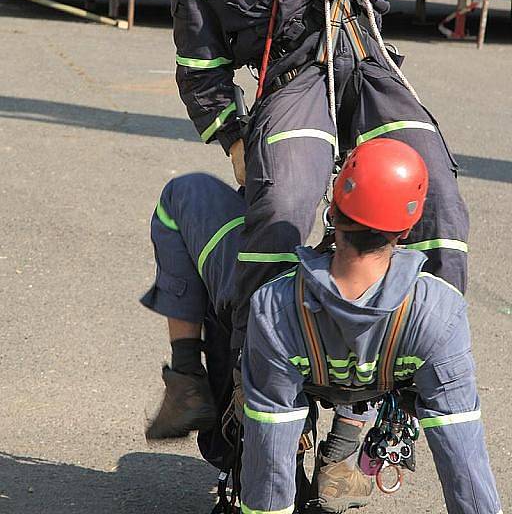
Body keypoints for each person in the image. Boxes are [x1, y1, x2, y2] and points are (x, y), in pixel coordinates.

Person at [168, 0, 468, 358]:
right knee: (280, 204)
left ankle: (429, 360)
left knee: (437, 194)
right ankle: (255, 375)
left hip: (370, 64)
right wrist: (233, 138)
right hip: (293, 84)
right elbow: (199, 68)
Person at [141, 141, 501, 514]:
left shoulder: (274, 305)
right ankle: (343, 449)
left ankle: (185, 373)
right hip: (384, 365)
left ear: (331, 209)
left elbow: (269, 454)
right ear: (408, 228)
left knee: (181, 195)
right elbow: (464, 463)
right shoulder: (438, 311)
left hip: (292, 344)